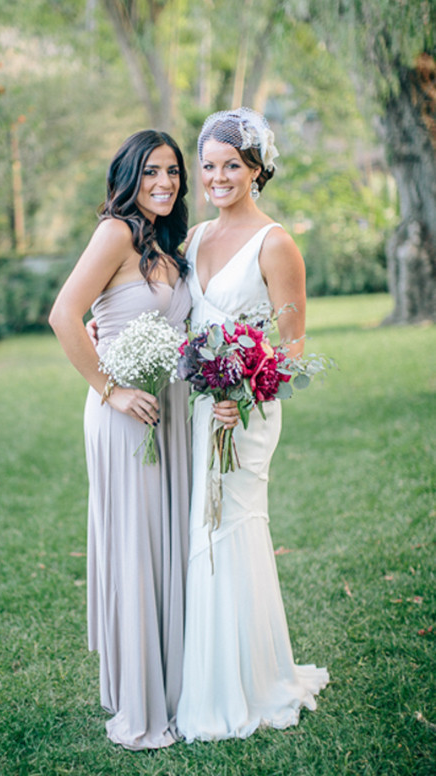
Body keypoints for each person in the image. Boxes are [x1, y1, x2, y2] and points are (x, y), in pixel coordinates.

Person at [176, 107, 329, 741]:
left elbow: (292, 349)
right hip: (200, 412)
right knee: (202, 531)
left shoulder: (275, 242)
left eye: (230, 166)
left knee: (233, 526)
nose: (216, 177)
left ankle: (255, 681)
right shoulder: (192, 240)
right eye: (208, 166)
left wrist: (243, 388)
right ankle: (211, 677)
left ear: (257, 169)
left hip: (248, 413)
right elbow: (182, 323)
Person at [49, 129, 194, 750]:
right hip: (123, 413)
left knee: (167, 541)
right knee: (138, 545)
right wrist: (111, 390)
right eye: (151, 171)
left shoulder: (168, 245)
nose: (164, 182)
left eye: (173, 172)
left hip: (170, 415)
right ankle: (141, 700)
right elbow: (64, 315)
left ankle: (175, 684)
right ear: (128, 177)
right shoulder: (115, 234)